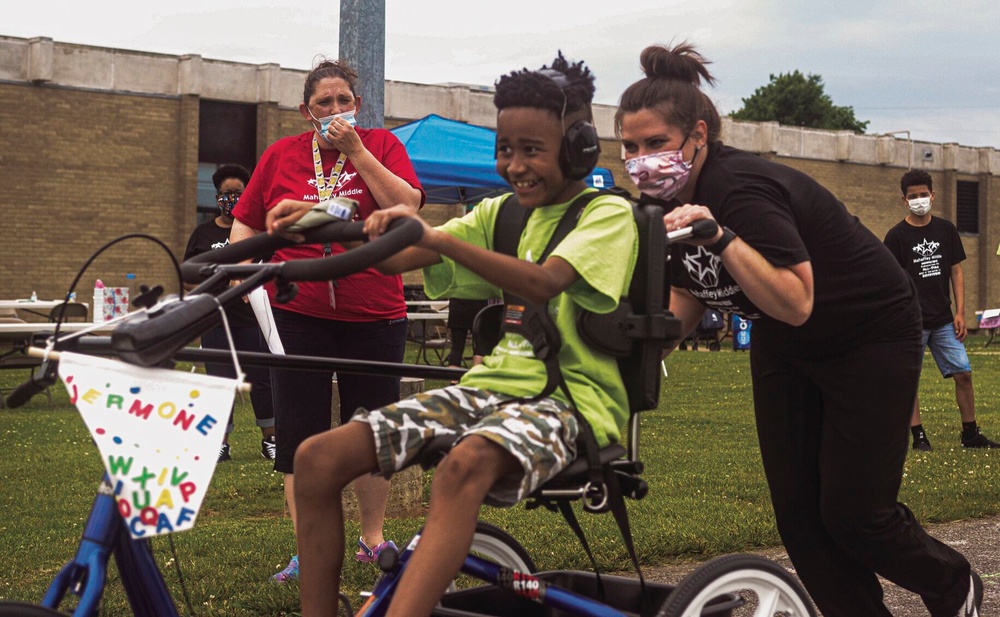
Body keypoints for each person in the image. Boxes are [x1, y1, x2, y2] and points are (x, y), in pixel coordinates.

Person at [617, 42, 982, 616]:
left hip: (868, 333)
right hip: (784, 343)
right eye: (630, 147)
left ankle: (951, 582)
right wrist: (628, 344)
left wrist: (719, 235)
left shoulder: (740, 190)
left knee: (856, 515)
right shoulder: (653, 206)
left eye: (657, 144)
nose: (643, 159)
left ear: (700, 136)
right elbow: (688, 294)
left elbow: (795, 300)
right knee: (799, 517)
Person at [267, 52, 637, 617]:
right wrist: (317, 222)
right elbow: (398, 258)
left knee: (465, 463)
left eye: (532, 150)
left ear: (579, 148)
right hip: (489, 392)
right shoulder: (499, 214)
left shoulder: (606, 214)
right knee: (315, 458)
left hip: (572, 403)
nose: (515, 165)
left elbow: (543, 283)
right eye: (505, 150)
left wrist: (438, 238)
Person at [229, 58, 425, 582]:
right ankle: (307, 549)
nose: (335, 110)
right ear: (305, 110)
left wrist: (357, 151)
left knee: (371, 427)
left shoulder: (381, 146)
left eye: (344, 101)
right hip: (298, 311)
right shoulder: (280, 155)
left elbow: (407, 208)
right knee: (301, 434)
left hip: (375, 310)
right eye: (324, 103)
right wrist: (240, 276)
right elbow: (246, 220)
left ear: (357, 107)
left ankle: (372, 538)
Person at [884, 170, 1000, 452]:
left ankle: (970, 434)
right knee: (910, 380)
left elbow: (956, 272)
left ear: (933, 195)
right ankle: (918, 436)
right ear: (904, 200)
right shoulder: (896, 236)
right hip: (912, 323)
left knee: (964, 373)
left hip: (944, 320)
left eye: (924, 194)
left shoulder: (946, 230)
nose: (919, 200)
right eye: (913, 196)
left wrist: (961, 312)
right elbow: (890, 281)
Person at [183, 164, 276, 463]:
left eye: (238, 193)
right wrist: (215, 281)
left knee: (262, 379)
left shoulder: (255, 231)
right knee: (219, 381)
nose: (231, 199)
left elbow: (269, 268)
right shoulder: (202, 233)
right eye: (226, 194)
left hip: (252, 319)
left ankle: (271, 440)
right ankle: (220, 443)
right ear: (217, 196)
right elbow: (187, 275)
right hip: (215, 319)